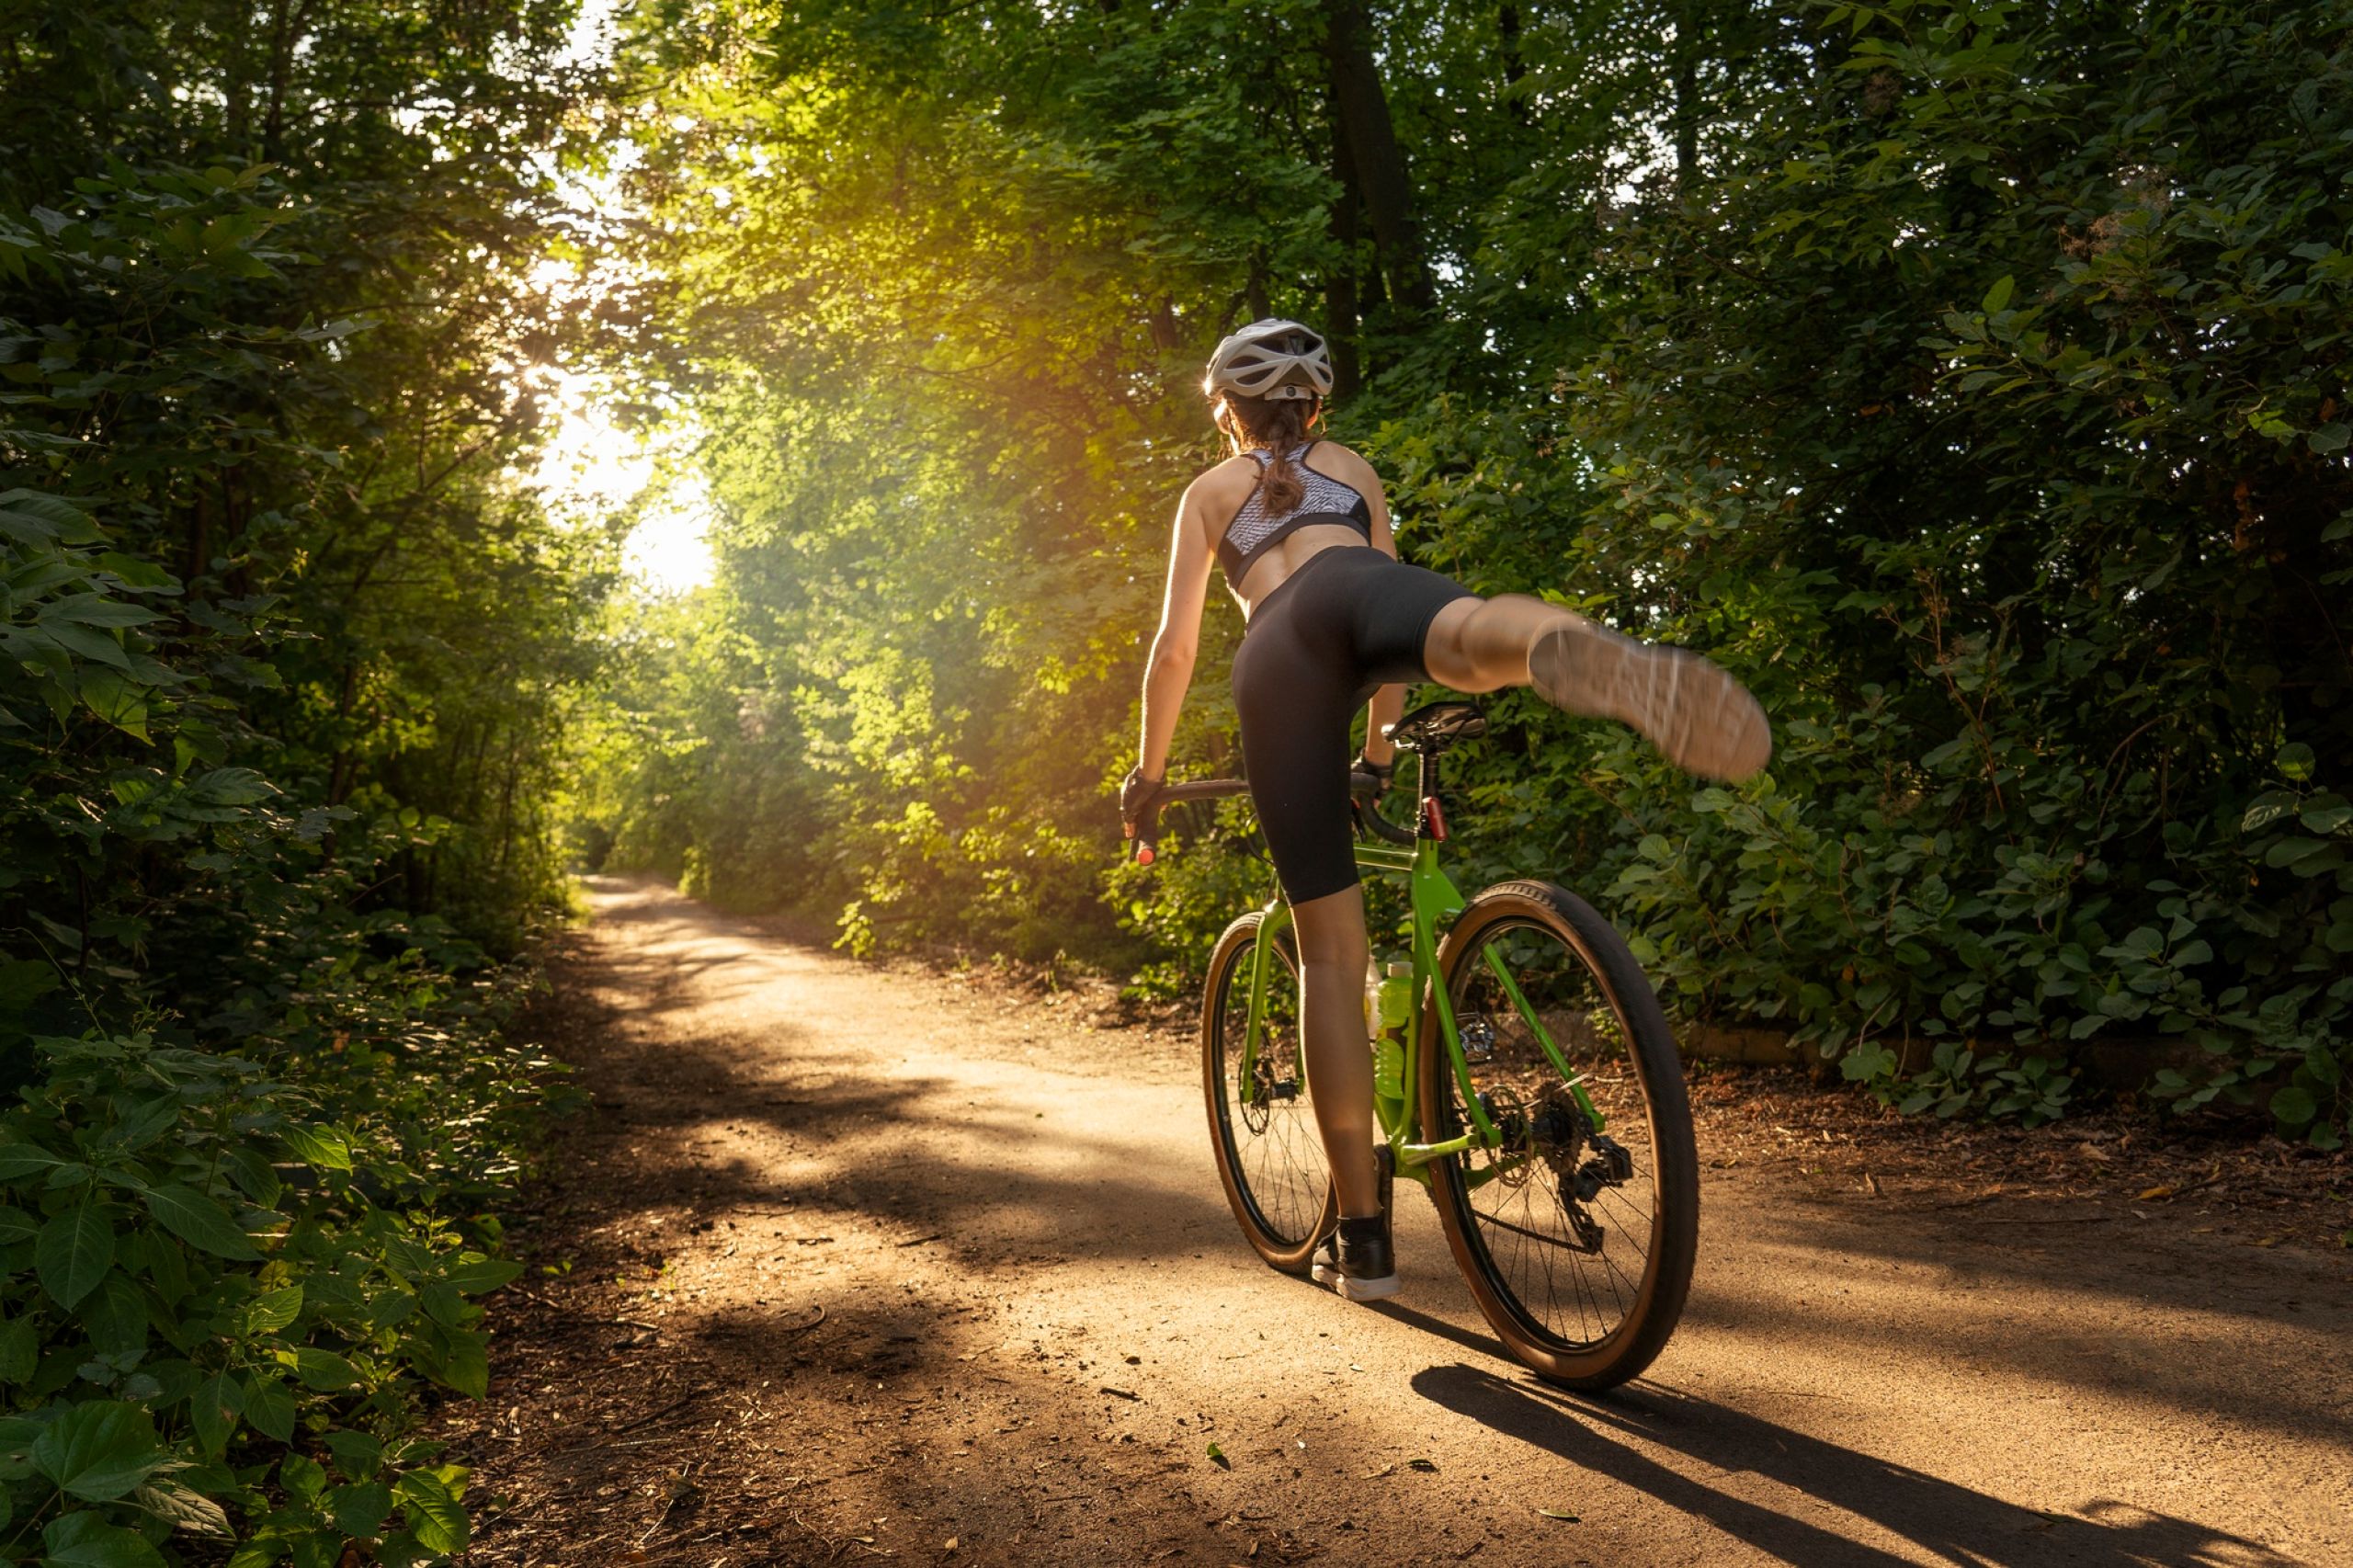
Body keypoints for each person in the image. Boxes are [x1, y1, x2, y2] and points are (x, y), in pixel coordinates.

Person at [1120, 319, 1769, 1301]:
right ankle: (1560, 647)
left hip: (1281, 660)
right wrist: (1378, 756)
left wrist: (1147, 777)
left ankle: (1364, 1238)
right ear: (1315, 407)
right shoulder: (1354, 473)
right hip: (1366, 590)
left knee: (1330, 958)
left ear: (1227, 411)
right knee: (1465, 634)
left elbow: (1174, 650)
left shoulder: (1212, 492)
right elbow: (1386, 666)